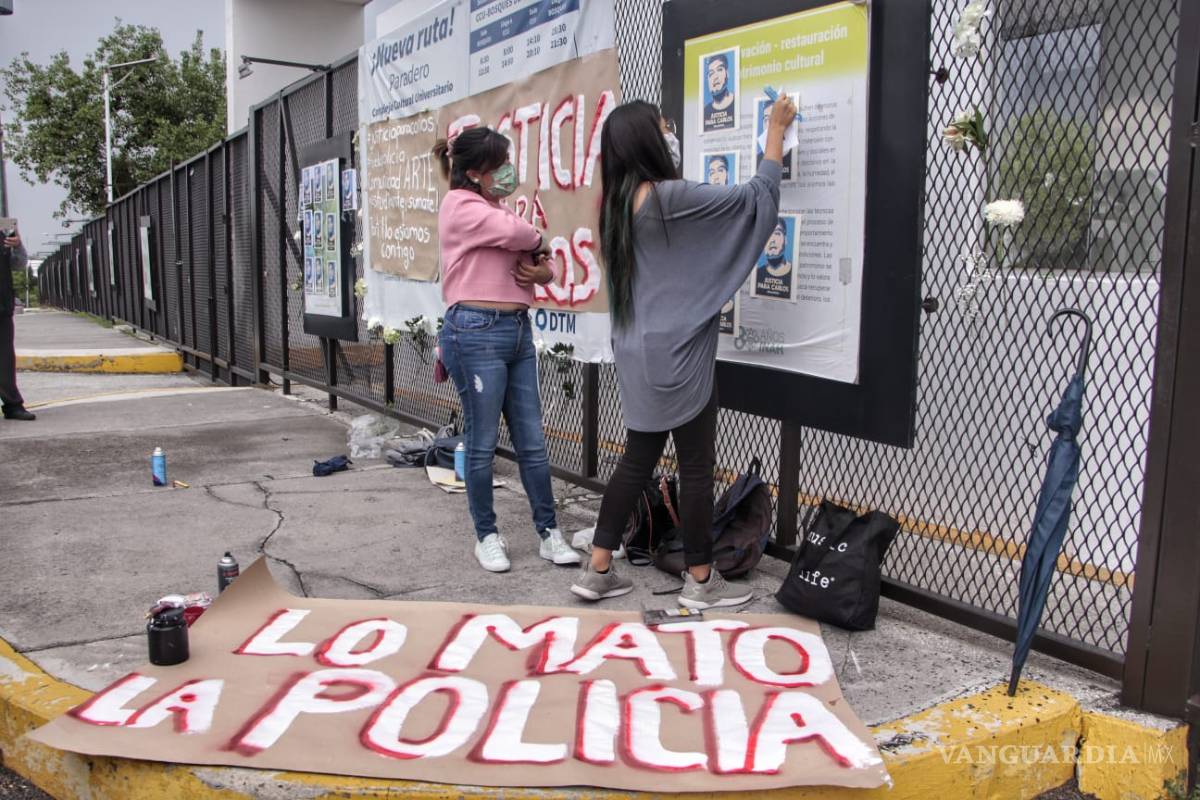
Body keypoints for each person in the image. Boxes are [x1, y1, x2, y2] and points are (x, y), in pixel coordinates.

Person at [571, 95, 796, 608]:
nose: (671, 130)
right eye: (664, 124)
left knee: (636, 460)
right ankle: (700, 580)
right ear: (648, 139)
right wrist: (775, 130)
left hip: (634, 350)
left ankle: (598, 568)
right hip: (678, 355)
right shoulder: (669, 198)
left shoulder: (612, 205)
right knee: (695, 467)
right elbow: (756, 198)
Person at [432, 126, 581, 573]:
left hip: (516, 328)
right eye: (499, 165)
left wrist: (544, 271)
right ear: (476, 173)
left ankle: (549, 533)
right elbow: (522, 235)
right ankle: (487, 536)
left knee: (533, 441)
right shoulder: (460, 206)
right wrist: (538, 243)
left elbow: (543, 258)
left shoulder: (495, 208)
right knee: (482, 444)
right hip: (474, 332)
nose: (508, 172)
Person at [1, 226, 34, 421]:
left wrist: (17, 245)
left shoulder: (3, 233)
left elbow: (19, 263)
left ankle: (12, 404)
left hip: (1, 306)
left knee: (4, 359)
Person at [754, 219, 793, 299]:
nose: (772, 240)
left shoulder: (793, 273)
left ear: (785, 239)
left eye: (777, 233)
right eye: (767, 235)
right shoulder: (758, 273)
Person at [702, 53, 735, 130]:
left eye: (719, 70)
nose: (715, 77)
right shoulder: (704, 112)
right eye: (711, 74)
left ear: (727, 74)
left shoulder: (738, 104)